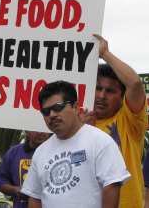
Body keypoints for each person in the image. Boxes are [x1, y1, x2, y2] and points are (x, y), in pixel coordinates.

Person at [21, 80, 131, 208]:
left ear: (76, 107)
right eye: (46, 111)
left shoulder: (100, 141)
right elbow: (35, 197)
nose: (51, 114)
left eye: (58, 107)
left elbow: (112, 187)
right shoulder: (41, 152)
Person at [81, 34, 148, 208]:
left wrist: (105, 54)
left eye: (110, 91)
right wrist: (78, 131)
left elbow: (135, 84)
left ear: (122, 98)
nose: (102, 96)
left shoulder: (130, 121)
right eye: (98, 88)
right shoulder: (76, 123)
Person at [0, 131, 50, 208]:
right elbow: (1, 183)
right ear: (26, 131)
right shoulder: (13, 153)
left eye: (42, 128)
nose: (39, 133)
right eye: (35, 129)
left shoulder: (59, 151)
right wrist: (16, 190)